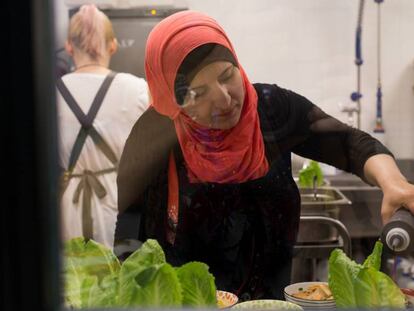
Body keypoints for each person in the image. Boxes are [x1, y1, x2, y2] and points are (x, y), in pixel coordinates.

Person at [116, 10, 414, 299]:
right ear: (173, 99)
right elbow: (129, 234)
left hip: (269, 303)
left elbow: (350, 143)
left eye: (227, 75)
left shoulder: (272, 110)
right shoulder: (154, 134)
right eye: (199, 92)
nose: (224, 98)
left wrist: (393, 183)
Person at [56, 4, 149, 249]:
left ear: (68, 47)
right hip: (120, 201)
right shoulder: (138, 90)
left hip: (67, 205)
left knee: (75, 276)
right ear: (112, 45)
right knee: (112, 276)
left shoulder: (50, 93)